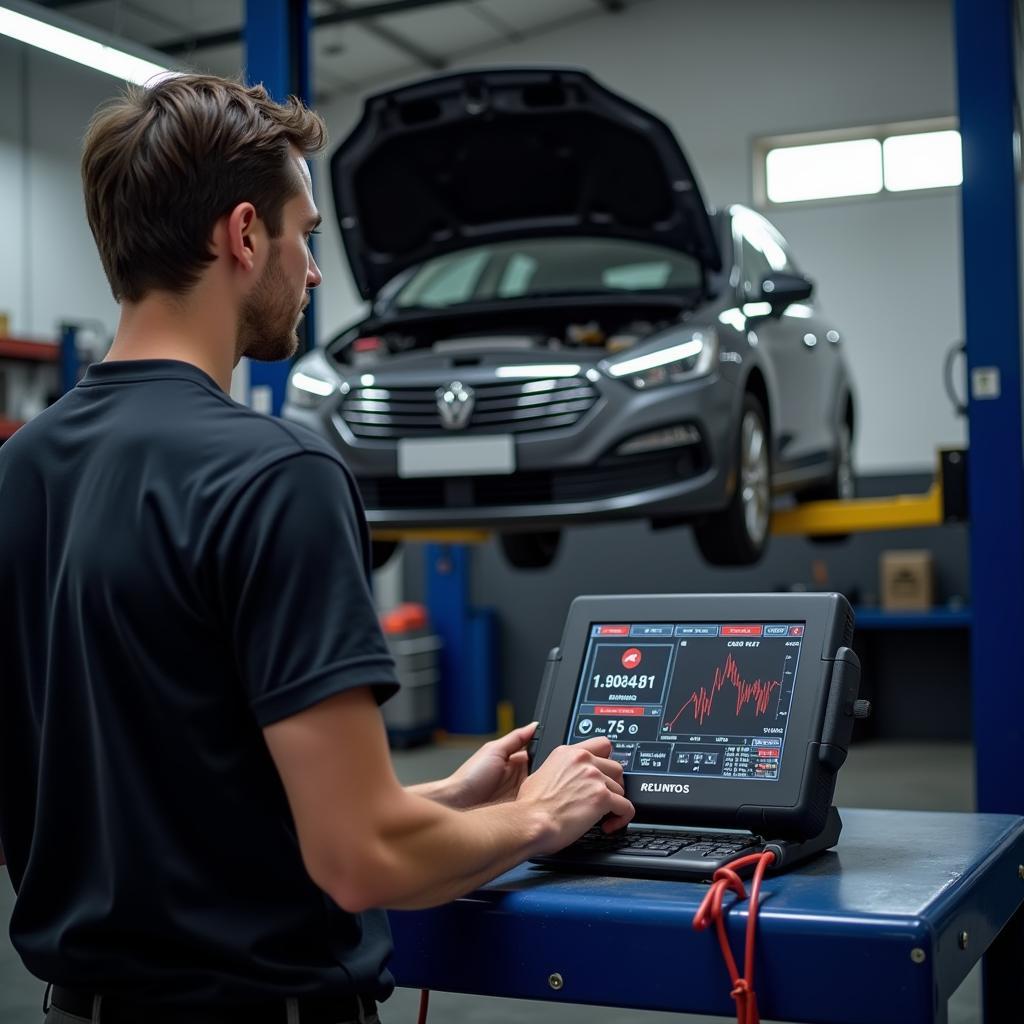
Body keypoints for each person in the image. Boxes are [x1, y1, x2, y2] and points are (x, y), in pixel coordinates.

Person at [0, 74, 633, 1024]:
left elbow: (172, 803)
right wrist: (543, 812)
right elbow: (359, 862)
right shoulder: (277, 474)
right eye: (307, 234)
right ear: (244, 235)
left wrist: (450, 801)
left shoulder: (24, 470)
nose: (315, 270)